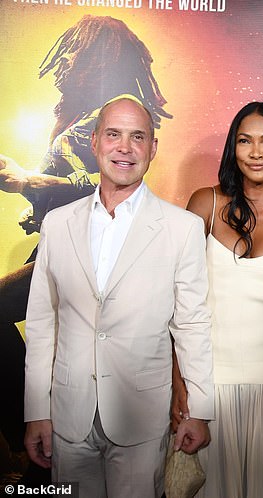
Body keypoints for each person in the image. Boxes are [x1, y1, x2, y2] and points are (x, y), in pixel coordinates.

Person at [23, 97, 213, 497]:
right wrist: (36, 411)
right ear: (94, 143)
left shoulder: (183, 229)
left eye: (137, 137)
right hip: (68, 418)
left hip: (142, 419)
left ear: (153, 148)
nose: (124, 148)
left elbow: (193, 324)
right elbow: (43, 326)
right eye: (113, 134)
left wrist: (200, 410)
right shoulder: (58, 225)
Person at [0, 15, 170, 462]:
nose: (66, 60)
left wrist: (25, 182)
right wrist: (34, 210)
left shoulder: (110, 115)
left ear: (98, 55)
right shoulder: (81, 116)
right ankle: (41, 447)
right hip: (63, 248)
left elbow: (101, 186)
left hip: (94, 256)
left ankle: (31, 441)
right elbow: (74, 187)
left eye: (76, 49)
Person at [171, 101, 263, 498]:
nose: (256, 152)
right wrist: (179, 380)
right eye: (245, 141)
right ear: (232, 149)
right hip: (210, 387)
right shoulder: (206, 203)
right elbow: (180, 303)